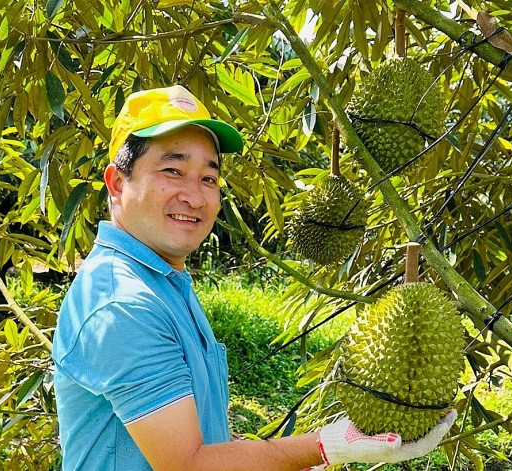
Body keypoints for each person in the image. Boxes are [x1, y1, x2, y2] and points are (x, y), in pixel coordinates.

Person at [51, 85, 456, 470]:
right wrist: (327, 445)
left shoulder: (163, 282)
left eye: (208, 178)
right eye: (173, 170)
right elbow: (189, 465)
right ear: (118, 183)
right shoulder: (122, 304)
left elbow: (205, 446)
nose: (194, 195)